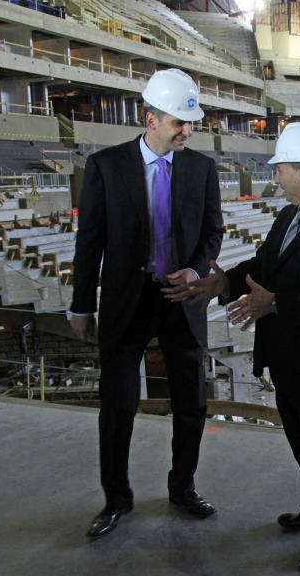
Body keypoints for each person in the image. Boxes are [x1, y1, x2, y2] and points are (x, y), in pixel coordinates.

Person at [165, 122, 300, 569]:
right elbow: (263, 265)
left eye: (280, 169)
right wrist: (223, 282)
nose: (274, 177)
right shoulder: (288, 217)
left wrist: (274, 303)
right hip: (289, 358)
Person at [69, 68, 224, 538]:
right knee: (117, 407)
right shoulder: (105, 166)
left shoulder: (201, 168)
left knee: (192, 403)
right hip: (125, 301)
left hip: (182, 299)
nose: (187, 130)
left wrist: (196, 271)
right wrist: (81, 305)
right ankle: (116, 499)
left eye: (191, 122)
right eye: (179, 120)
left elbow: (213, 232)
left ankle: (183, 488)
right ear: (149, 117)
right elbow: (89, 240)